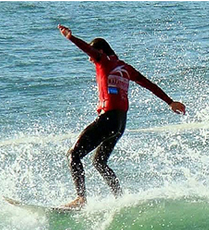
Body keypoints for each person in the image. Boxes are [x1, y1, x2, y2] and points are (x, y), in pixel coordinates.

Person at [58, 24, 186, 210]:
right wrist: (170, 102)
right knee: (99, 162)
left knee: (74, 155)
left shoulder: (103, 61)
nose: (90, 60)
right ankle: (120, 199)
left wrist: (71, 38)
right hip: (120, 123)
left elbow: (87, 49)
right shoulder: (126, 68)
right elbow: (148, 84)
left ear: (99, 51)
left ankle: (80, 198)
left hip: (108, 118)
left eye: (92, 56)